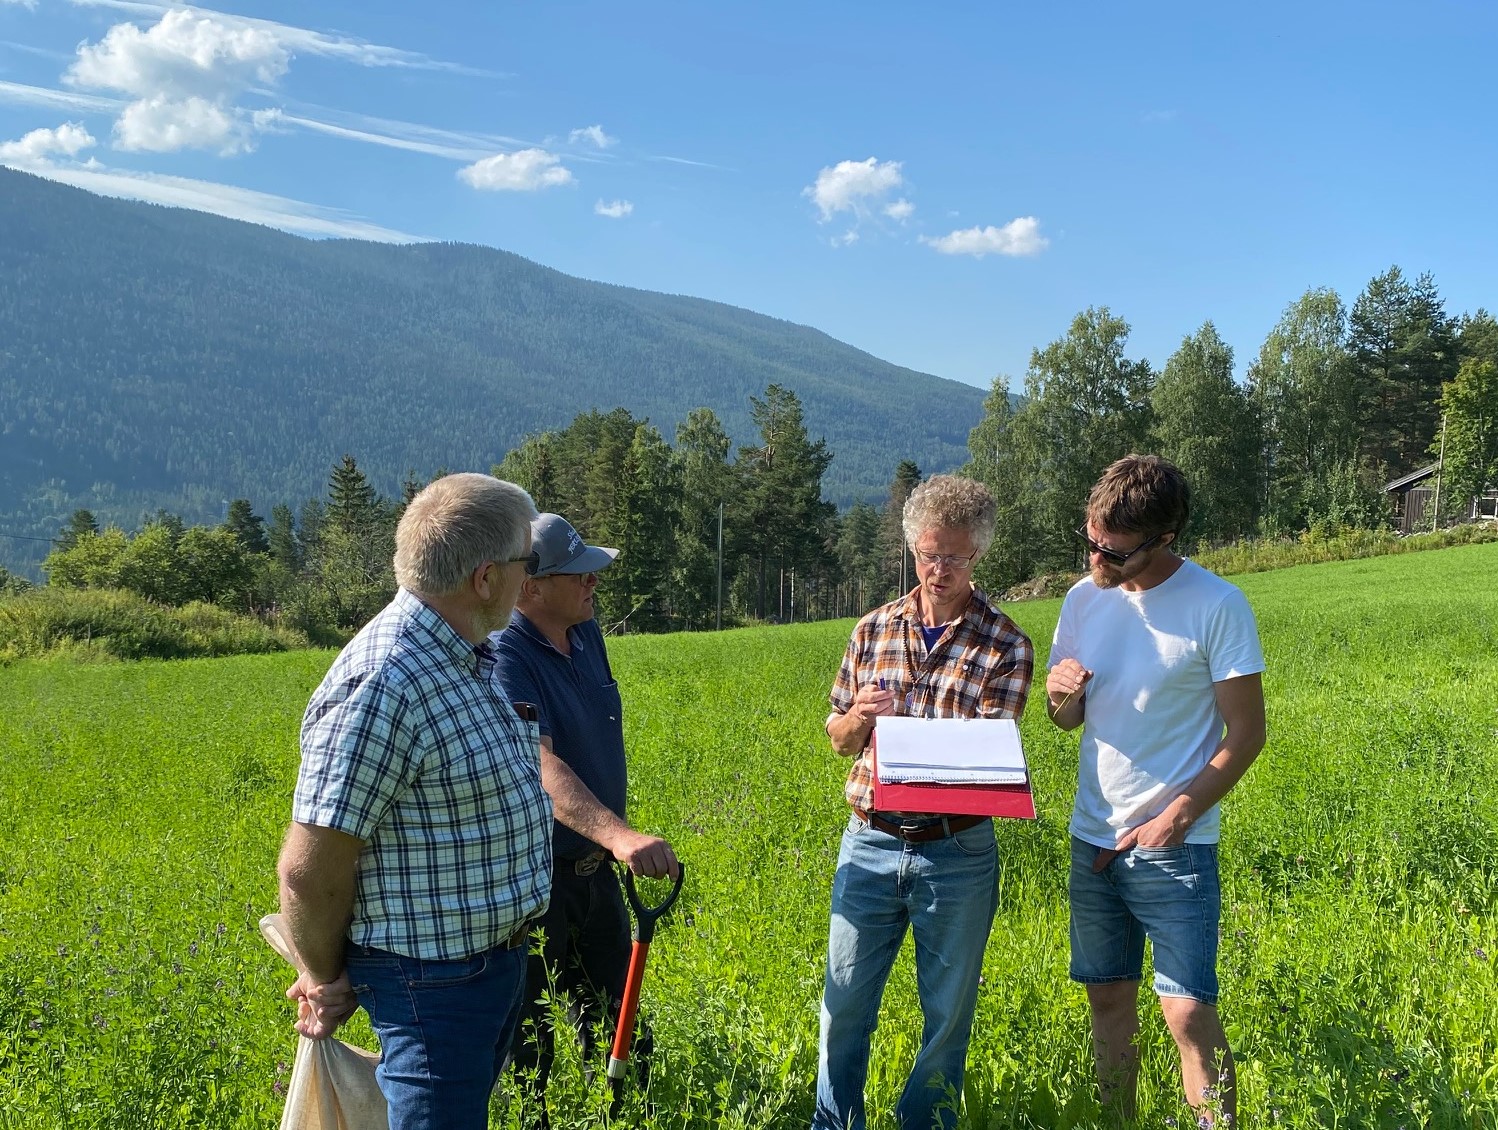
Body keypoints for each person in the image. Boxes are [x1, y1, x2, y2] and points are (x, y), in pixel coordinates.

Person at [276, 472, 554, 1130]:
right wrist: (323, 976)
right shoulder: (388, 678)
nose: (530, 579)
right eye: (526, 563)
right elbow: (309, 870)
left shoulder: (462, 657)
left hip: (486, 968)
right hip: (431, 987)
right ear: (486, 578)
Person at [1045, 455, 1266, 1126]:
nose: (1097, 558)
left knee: (1189, 1011)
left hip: (1175, 844)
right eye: (1091, 540)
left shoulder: (1216, 604)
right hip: (1093, 839)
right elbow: (1066, 718)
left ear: (1165, 537)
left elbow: (1247, 733)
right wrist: (1059, 698)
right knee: (1108, 1003)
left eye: (1114, 551)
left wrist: (1178, 814)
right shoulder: (1083, 599)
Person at [814, 474, 1034, 1130]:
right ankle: (833, 1123)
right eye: (930, 554)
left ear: (979, 555)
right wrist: (859, 717)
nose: (941, 570)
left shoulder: (1006, 644)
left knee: (947, 1015)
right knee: (844, 1004)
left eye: (957, 558)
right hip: (871, 838)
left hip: (957, 849)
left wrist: (915, 750)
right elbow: (839, 739)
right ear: (913, 546)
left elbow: (989, 759)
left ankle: (924, 1124)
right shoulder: (872, 629)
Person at [491, 513, 680, 1123]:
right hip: (536, 880)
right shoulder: (506, 658)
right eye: (578, 574)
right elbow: (539, 768)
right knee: (531, 1048)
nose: (593, 583)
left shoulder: (587, 634)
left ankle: (625, 1116)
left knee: (621, 1026)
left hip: (595, 873)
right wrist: (623, 836)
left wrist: (610, 846)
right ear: (530, 588)